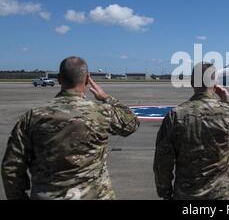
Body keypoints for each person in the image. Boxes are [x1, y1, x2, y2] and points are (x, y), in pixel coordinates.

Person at [1, 56, 140, 200]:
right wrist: (106, 97)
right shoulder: (101, 112)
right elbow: (131, 123)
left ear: (59, 79)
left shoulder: (33, 116)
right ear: (87, 80)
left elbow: (11, 167)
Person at [153, 62, 229, 200]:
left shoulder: (175, 116)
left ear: (192, 83)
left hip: (187, 195)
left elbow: (162, 162)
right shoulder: (228, 111)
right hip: (223, 195)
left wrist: (165, 193)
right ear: (215, 83)